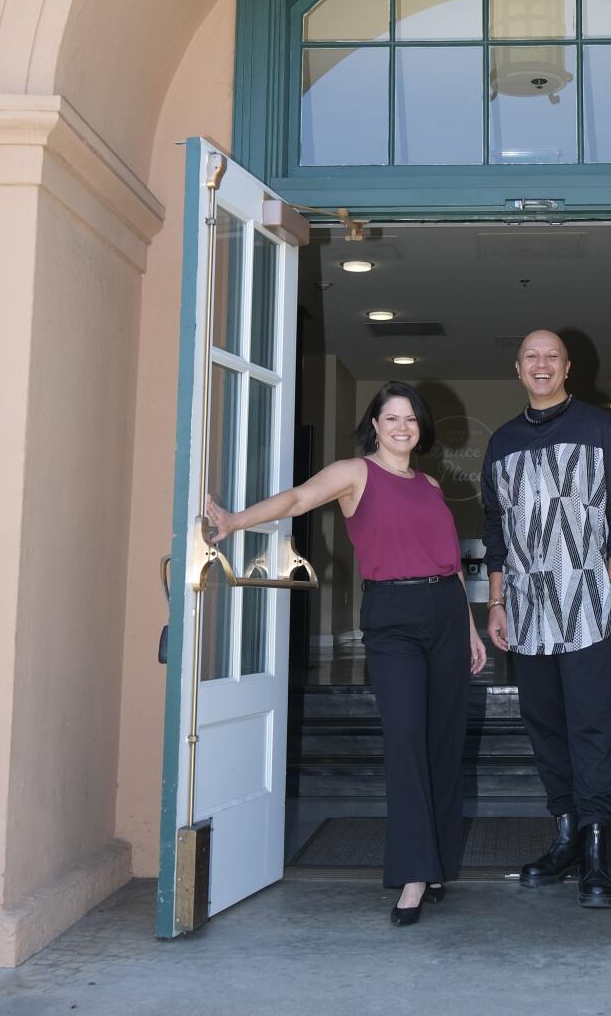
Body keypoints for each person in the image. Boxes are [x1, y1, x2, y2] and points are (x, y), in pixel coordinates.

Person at [207, 381, 487, 927]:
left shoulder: (431, 483)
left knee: (443, 743)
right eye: (392, 418)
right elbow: (297, 500)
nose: (403, 427)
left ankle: (435, 867)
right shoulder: (355, 474)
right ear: (375, 426)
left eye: (411, 419)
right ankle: (411, 873)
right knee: (405, 740)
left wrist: (471, 630)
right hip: (393, 617)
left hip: (448, 616)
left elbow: (451, 564)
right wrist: (235, 521)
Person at [483, 330, 611, 908]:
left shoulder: (602, 429)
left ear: (568, 366)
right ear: (518, 368)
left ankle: (596, 849)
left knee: (593, 727)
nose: (542, 364)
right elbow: (496, 532)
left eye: (552, 356)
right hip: (527, 614)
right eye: (532, 356)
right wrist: (497, 603)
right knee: (545, 727)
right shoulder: (501, 443)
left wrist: (607, 587)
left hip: (589, 612)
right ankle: (565, 837)